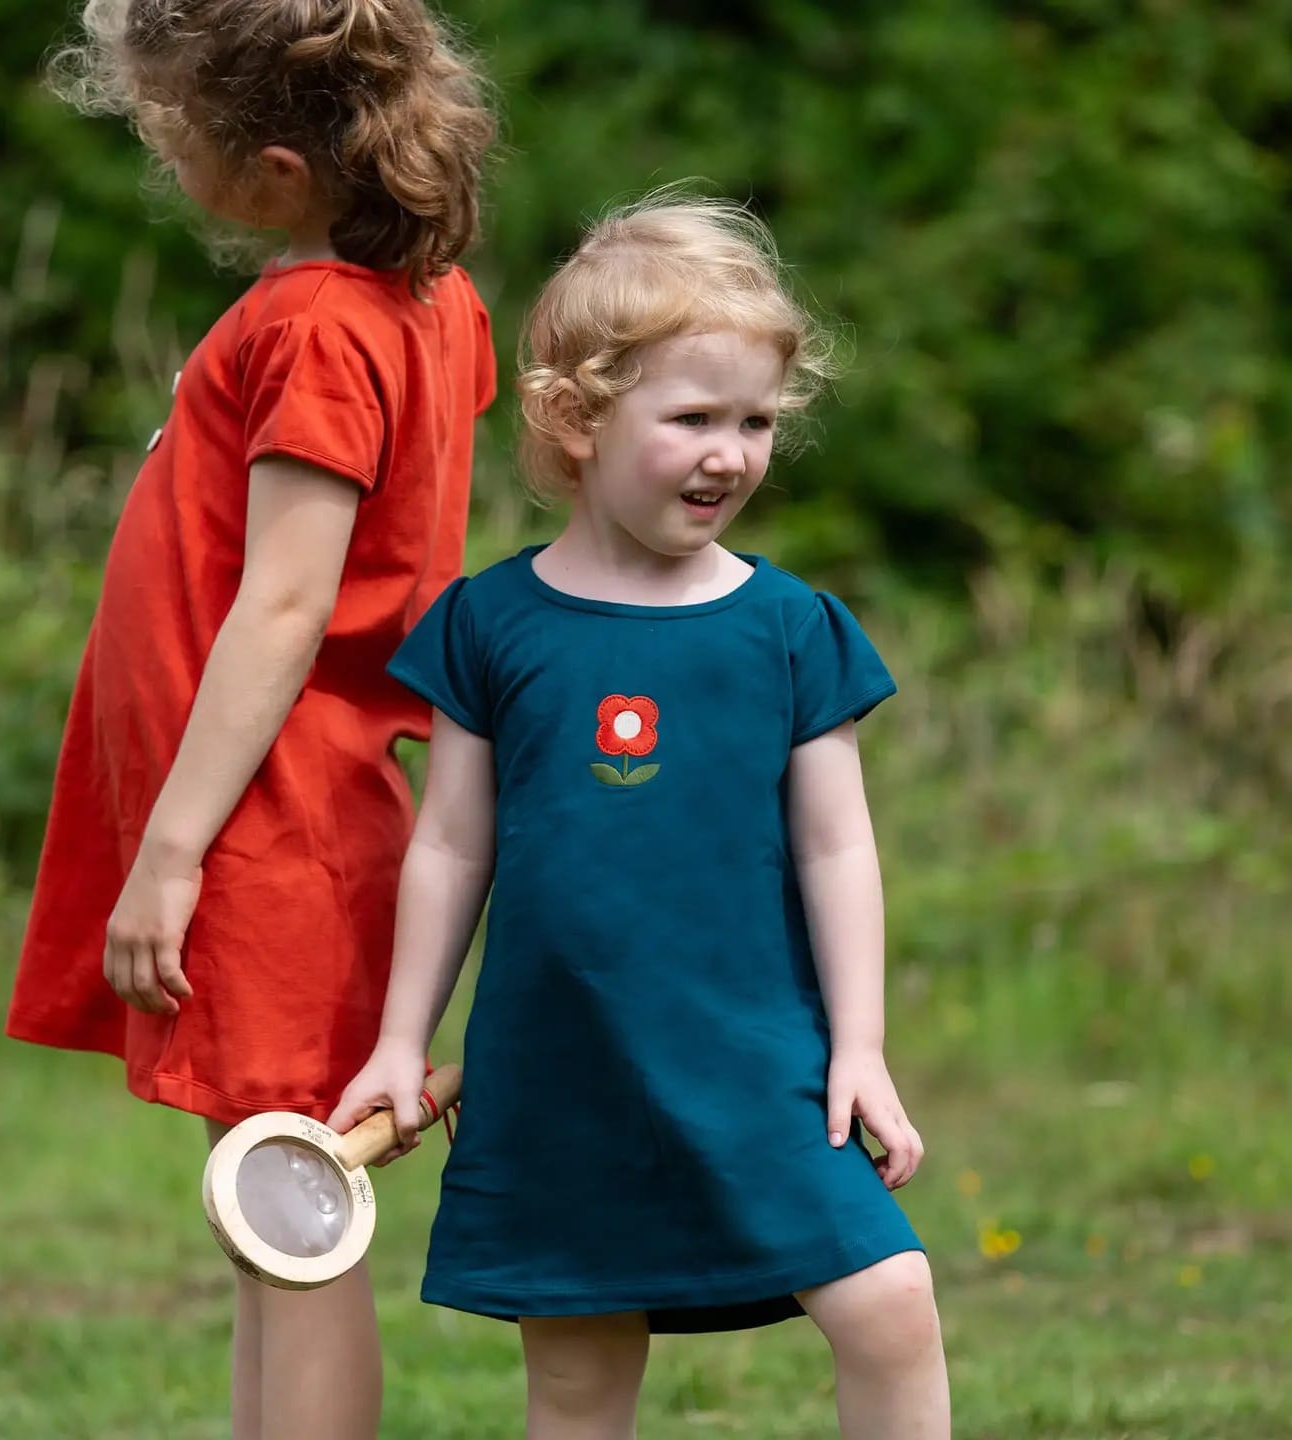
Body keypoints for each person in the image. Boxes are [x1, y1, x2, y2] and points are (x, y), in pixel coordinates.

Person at [329, 193, 951, 1439]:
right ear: (575, 419)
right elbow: (451, 843)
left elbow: (839, 847)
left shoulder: (791, 631)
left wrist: (862, 1047)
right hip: (562, 1065)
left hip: (760, 1058)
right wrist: (404, 1040)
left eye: (757, 420)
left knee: (891, 1302)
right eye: (693, 419)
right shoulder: (488, 626)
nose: (733, 453)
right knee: (576, 1375)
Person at [5, 2, 496, 1436]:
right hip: (288, 814)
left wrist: (171, 850)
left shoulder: (318, 328)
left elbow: (288, 609)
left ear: (279, 170)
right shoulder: (417, 297)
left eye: (171, 139)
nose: (163, 161)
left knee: (299, 1218)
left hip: (273, 827)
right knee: (265, 1210)